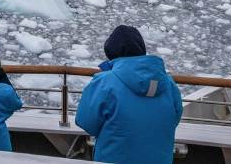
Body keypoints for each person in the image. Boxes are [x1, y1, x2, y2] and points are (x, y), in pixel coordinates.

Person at [75, 25, 182, 164]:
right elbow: (174, 119)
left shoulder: (105, 82)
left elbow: (86, 122)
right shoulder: (169, 83)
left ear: (111, 53)